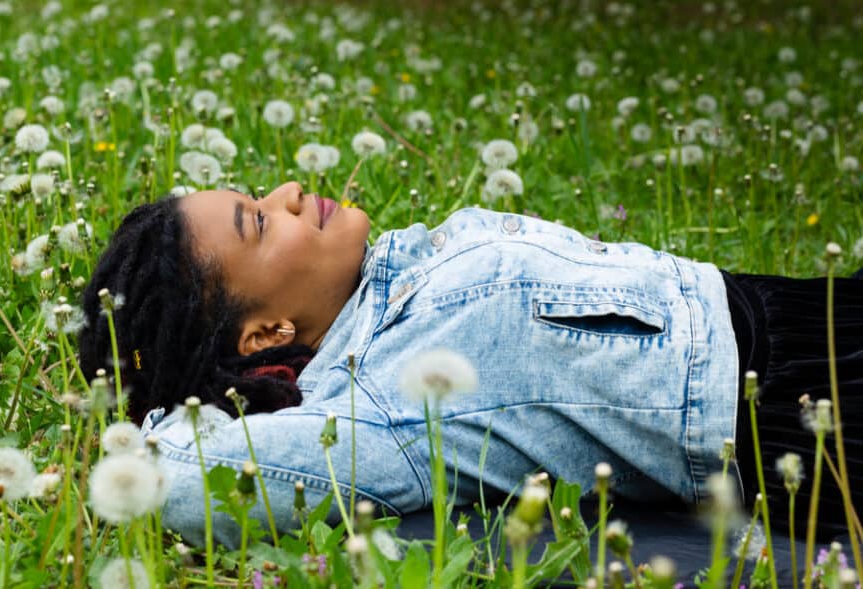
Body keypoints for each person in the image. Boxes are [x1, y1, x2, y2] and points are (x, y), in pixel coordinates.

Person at [78, 182, 862, 548]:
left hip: (777, 310)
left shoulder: (392, 274)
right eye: (257, 221)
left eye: (254, 191)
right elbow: (172, 475)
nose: (287, 191)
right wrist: (135, 408)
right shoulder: (378, 408)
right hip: (795, 408)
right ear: (265, 332)